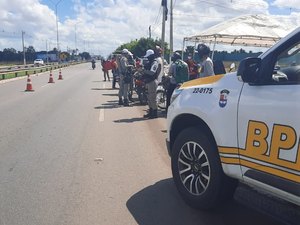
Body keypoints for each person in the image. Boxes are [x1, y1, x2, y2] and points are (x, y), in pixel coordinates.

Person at [141, 49, 162, 119]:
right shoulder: (150, 62)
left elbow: (152, 73)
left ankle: (154, 113)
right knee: (149, 98)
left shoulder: (154, 63)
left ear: (151, 56)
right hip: (149, 82)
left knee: (152, 98)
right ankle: (150, 112)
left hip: (152, 82)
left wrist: (144, 71)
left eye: (148, 56)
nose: (147, 58)